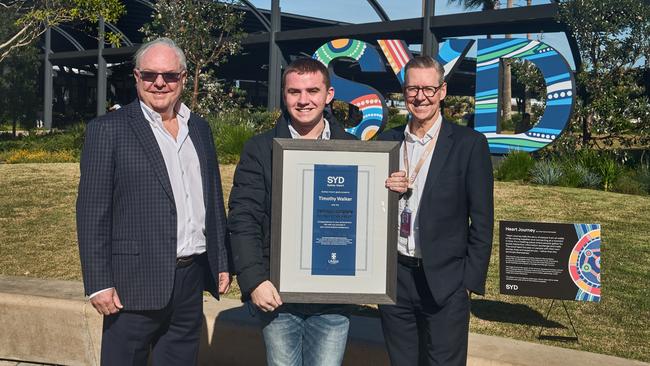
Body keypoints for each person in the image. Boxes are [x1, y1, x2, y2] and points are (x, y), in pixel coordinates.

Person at [76, 37, 230, 366]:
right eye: (149, 75)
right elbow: (92, 212)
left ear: (183, 78)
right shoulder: (109, 130)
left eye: (169, 76)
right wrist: (99, 283)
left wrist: (220, 260)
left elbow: (212, 199)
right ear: (136, 77)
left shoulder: (199, 129)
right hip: (133, 285)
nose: (159, 83)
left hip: (190, 282)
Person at [228, 58, 360, 366]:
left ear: (329, 95)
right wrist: (254, 281)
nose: (303, 100)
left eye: (312, 90)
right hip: (277, 296)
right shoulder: (259, 149)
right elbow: (243, 217)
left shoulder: (355, 150)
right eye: (294, 92)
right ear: (284, 96)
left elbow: (367, 220)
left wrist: (389, 188)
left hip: (333, 298)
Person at [379, 56, 494, 366]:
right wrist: (382, 188)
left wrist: (468, 282)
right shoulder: (385, 142)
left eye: (429, 88)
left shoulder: (470, 145)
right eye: (413, 88)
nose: (421, 96)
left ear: (442, 91)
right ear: (404, 92)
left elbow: (482, 221)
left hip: (446, 280)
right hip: (395, 279)